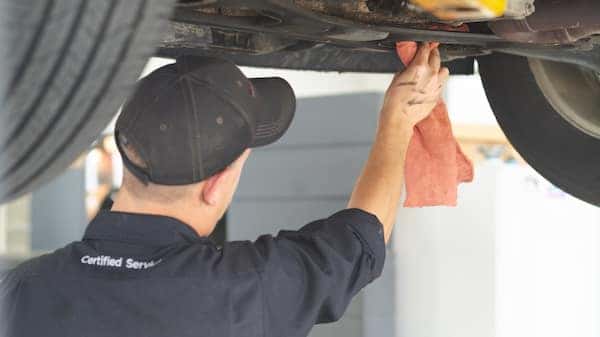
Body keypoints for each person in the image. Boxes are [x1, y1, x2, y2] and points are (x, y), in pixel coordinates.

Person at [0, 42, 448, 337]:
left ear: (129, 155)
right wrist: (398, 120)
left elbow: (358, 242)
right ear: (217, 184)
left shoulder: (21, 290)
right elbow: (359, 240)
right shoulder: (236, 293)